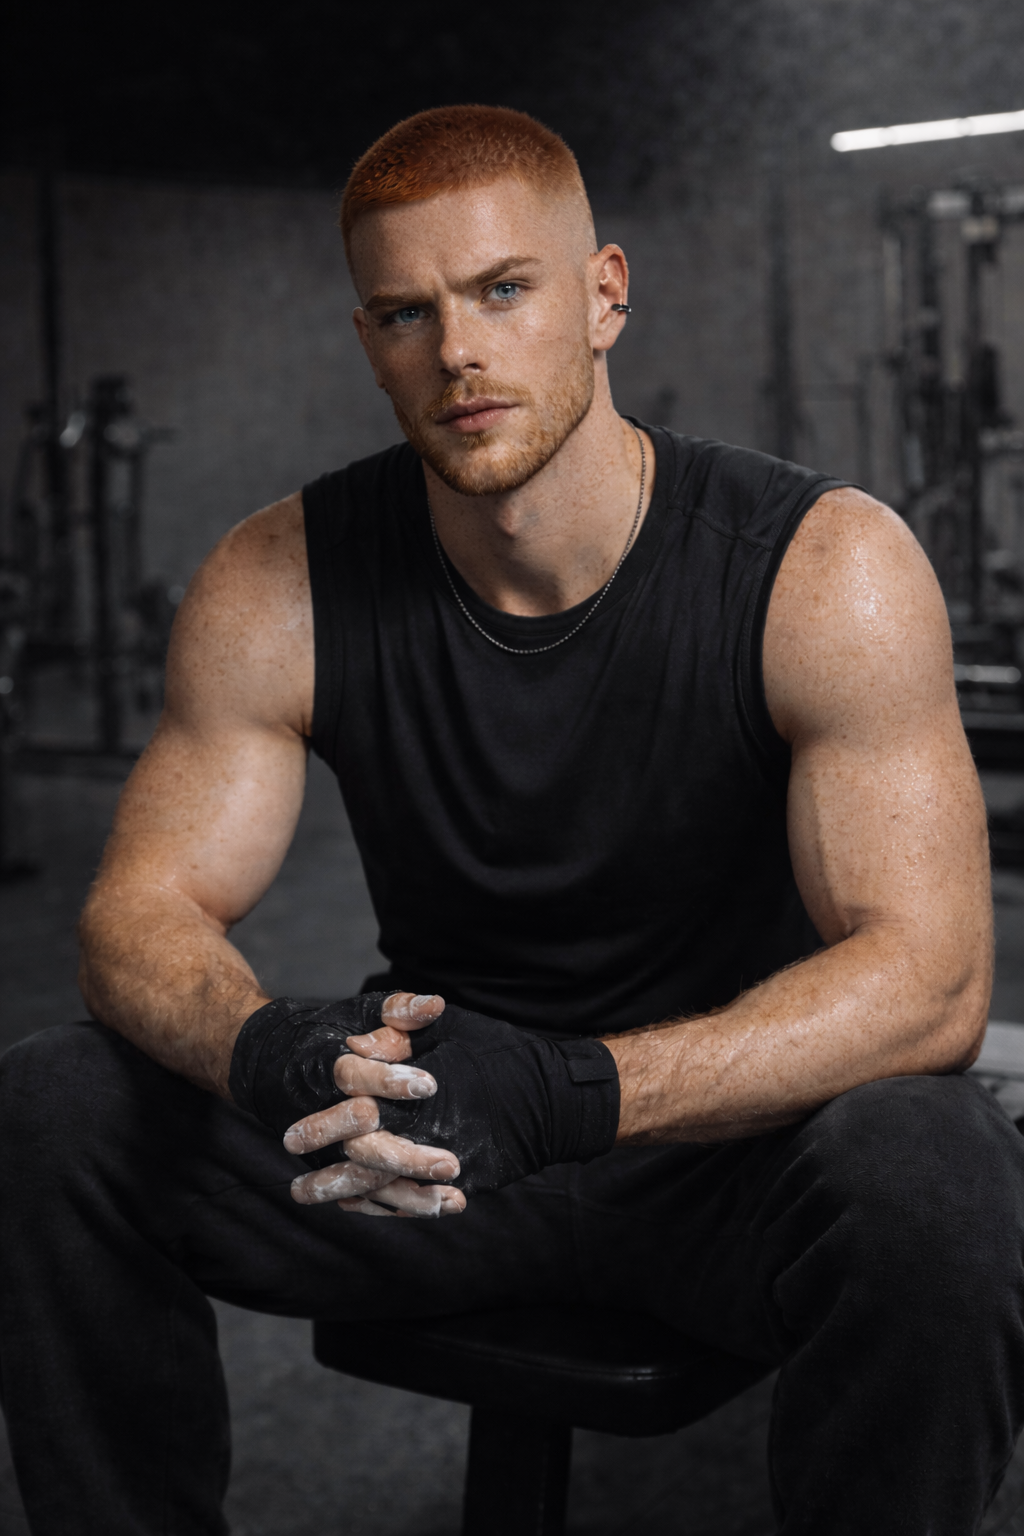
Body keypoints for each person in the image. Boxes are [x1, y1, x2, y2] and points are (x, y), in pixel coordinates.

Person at [1, 103, 1021, 1535]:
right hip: (436, 1154)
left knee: (934, 1171)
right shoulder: (279, 577)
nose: (458, 352)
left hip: (715, 1157)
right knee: (57, 1102)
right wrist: (268, 1048)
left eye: (502, 290)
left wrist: (571, 1091)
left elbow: (933, 986)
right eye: (406, 313)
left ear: (603, 294)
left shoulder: (820, 568)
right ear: (369, 341)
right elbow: (136, 917)